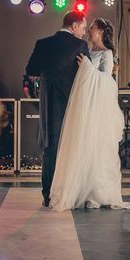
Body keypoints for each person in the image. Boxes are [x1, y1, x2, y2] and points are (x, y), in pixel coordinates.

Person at [49, 18, 130, 211]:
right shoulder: (87, 49)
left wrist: (87, 67)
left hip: (98, 109)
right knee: (83, 144)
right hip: (85, 106)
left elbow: (107, 81)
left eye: (93, 27)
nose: (89, 29)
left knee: (98, 147)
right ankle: (83, 189)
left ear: (101, 31)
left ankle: (98, 191)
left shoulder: (107, 53)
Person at [25, 11, 91, 207]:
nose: (84, 32)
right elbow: (87, 75)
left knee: (50, 148)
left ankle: (48, 195)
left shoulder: (42, 43)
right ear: (73, 27)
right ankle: (71, 192)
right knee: (73, 147)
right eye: (83, 28)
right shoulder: (80, 46)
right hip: (73, 104)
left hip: (49, 104)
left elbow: (31, 70)